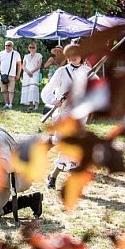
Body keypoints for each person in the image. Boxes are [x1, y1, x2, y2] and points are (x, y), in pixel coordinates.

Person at [41, 42, 90, 189]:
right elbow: (46, 92)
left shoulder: (89, 71)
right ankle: (57, 175)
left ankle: (54, 176)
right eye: (71, 54)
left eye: (77, 53)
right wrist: (53, 101)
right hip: (64, 112)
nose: (74, 57)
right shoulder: (62, 72)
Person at [0, 40, 21, 109]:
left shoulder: (16, 54)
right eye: (6, 45)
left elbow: (19, 65)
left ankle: (10, 104)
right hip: (2, 74)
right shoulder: (1, 53)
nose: (7, 47)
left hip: (12, 74)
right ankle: (6, 103)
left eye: (8, 45)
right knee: (4, 90)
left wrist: (18, 74)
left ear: (12, 46)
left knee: (11, 90)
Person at [20, 42, 43, 111]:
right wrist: (27, 71)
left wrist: (31, 71)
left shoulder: (39, 55)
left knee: (33, 88)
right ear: (28, 48)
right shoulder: (26, 56)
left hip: (34, 73)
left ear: (36, 48)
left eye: (33, 47)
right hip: (26, 74)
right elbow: (23, 66)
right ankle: (30, 105)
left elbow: (39, 66)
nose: (31, 49)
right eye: (30, 47)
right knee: (28, 88)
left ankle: (36, 105)